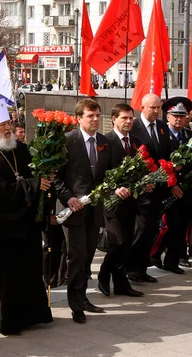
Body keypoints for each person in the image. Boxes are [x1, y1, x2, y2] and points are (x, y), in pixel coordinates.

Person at [0, 99, 53, 334]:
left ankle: (31, 316)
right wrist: (33, 185)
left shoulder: (20, 149)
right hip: (2, 225)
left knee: (28, 270)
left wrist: (45, 177)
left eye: (8, 122)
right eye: (1, 125)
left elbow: (33, 175)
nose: (7, 128)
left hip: (24, 221)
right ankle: (6, 321)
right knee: (6, 275)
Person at [55, 99, 117, 323]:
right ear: (79, 118)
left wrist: (115, 186)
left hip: (94, 210)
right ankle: (74, 304)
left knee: (88, 257)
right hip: (73, 211)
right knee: (76, 257)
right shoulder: (67, 141)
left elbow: (109, 173)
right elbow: (56, 177)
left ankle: (82, 297)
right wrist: (68, 197)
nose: (95, 120)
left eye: (98, 116)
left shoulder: (104, 142)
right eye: (90, 116)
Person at [98, 103, 145, 298]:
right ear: (114, 119)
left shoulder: (135, 142)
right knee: (118, 242)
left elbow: (139, 169)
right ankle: (103, 273)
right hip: (112, 202)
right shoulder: (106, 141)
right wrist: (114, 188)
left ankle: (120, 283)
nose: (128, 122)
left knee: (126, 244)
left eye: (130, 118)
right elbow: (101, 172)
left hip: (131, 202)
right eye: (124, 118)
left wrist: (145, 182)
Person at [153, 97, 192, 274]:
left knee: (180, 228)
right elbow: (158, 162)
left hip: (186, 190)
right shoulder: (162, 135)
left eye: (182, 115)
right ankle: (154, 254)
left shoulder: (190, 136)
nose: (179, 119)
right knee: (167, 227)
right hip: (168, 190)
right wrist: (170, 185)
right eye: (175, 115)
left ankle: (172, 261)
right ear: (168, 116)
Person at [127, 93, 164, 282]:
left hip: (157, 188)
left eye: (158, 107)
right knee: (140, 230)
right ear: (142, 108)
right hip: (140, 190)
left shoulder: (162, 127)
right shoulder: (134, 128)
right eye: (152, 108)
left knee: (151, 230)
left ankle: (142, 268)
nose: (156, 111)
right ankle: (131, 268)